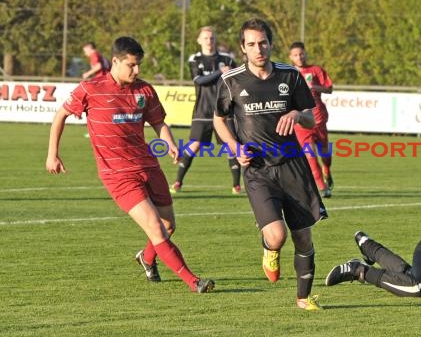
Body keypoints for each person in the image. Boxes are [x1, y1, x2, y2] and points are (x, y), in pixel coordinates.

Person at [46, 36, 214, 293]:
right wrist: (52, 154)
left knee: (168, 225)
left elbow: (158, 122)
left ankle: (146, 259)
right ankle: (194, 282)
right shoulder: (90, 89)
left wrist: (169, 142)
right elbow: (61, 115)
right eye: (132, 65)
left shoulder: (144, 90)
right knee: (157, 228)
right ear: (115, 61)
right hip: (117, 175)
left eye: (139, 65)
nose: (137, 71)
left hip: (148, 166)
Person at [213, 18, 328, 311]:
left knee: (303, 236)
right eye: (251, 44)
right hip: (258, 169)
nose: (258, 48)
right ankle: (269, 247)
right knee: (277, 235)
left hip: (293, 166)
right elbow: (219, 119)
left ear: (271, 44)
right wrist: (234, 146)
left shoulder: (290, 76)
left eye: (263, 42)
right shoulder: (231, 81)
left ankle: (303, 298)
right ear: (243, 47)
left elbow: (310, 117)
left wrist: (296, 116)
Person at [170, 26, 242, 195]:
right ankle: (178, 182)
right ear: (199, 40)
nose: (209, 41)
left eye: (212, 38)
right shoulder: (195, 59)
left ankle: (236, 185)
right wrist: (220, 72)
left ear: (215, 40)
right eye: (205, 38)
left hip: (225, 109)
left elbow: (238, 80)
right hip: (203, 109)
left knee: (230, 146)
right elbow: (199, 81)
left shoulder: (227, 59)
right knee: (194, 145)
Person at [289, 42, 334, 198]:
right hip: (301, 119)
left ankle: (327, 169)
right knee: (310, 154)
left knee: (325, 153)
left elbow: (329, 88)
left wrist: (313, 87)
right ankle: (322, 187)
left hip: (318, 118)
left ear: (305, 54)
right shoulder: (288, 73)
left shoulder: (316, 70)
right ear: (290, 57)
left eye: (301, 54)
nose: (299, 57)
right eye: (295, 55)